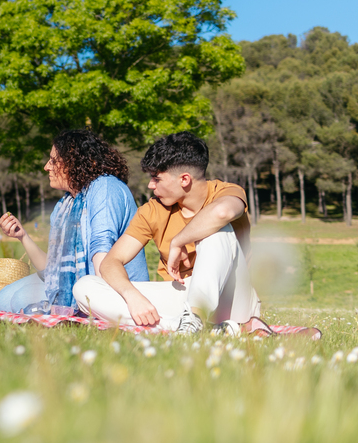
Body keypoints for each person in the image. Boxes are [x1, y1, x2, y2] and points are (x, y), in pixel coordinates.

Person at [73, 131, 263, 334]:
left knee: (218, 230)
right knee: (85, 288)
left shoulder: (226, 192)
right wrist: (132, 296)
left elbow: (223, 212)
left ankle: (195, 319)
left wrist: (178, 241)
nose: (150, 185)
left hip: (232, 296)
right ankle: (193, 328)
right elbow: (111, 262)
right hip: (182, 296)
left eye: (156, 178)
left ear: (184, 179)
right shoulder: (153, 210)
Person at [0, 130, 149, 314]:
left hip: (112, 286)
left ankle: (69, 316)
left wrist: (104, 306)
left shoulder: (105, 188)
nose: (46, 167)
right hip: (76, 282)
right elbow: (50, 269)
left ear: (75, 162)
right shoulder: (65, 205)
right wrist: (23, 237)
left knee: (20, 300)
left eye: (53, 161)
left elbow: (102, 248)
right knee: (3, 299)